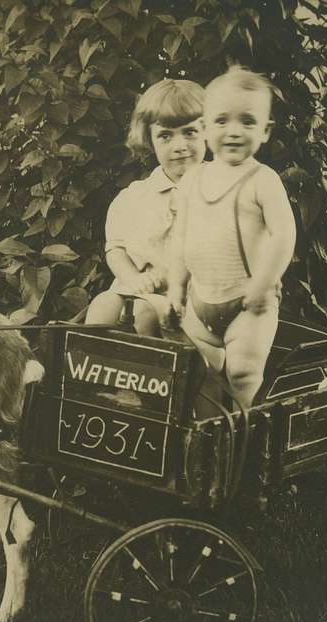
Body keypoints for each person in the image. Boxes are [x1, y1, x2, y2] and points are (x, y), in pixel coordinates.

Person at [167, 66, 296, 409]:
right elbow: (181, 237)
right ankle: (210, 442)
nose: (234, 131)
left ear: (266, 131)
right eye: (222, 121)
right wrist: (177, 286)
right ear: (206, 129)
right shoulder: (193, 179)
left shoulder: (262, 180)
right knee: (199, 376)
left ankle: (244, 440)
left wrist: (264, 282)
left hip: (248, 303)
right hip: (200, 301)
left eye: (248, 122)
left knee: (243, 372)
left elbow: (284, 234)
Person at [85, 79, 206, 336]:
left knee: (144, 314)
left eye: (190, 132)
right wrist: (133, 278)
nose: (179, 145)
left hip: (192, 298)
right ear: (150, 141)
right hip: (139, 289)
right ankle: (90, 371)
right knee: (102, 306)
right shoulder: (136, 197)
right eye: (165, 136)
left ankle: (153, 374)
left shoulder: (220, 193)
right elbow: (116, 248)